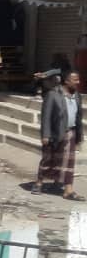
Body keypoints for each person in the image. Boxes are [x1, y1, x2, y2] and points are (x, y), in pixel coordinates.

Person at [34, 71, 83, 200]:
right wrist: (45, 135)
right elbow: (46, 116)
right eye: (75, 80)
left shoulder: (77, 96)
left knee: (68, 162)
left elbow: (79, 117)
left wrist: (79, 136)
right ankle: (39, 183)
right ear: (66, 81)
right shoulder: (53, 94)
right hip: (54, 133)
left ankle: (68, 190)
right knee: (48, 160)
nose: (78, 82)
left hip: (70, 132)